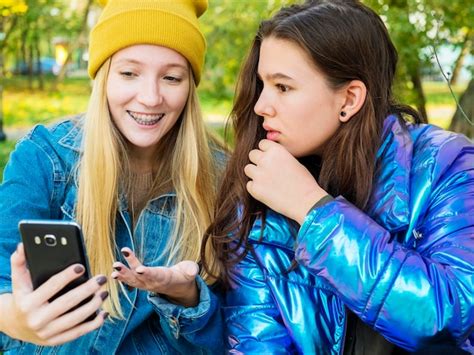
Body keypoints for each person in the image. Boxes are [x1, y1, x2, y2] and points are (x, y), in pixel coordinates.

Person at [202, 0, 474, 353]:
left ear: (349, 98)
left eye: (283, 87)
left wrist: (311, 208)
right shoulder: (261, 188)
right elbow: (257, 341)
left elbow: (449, 317)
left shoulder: (446, 165)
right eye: (262, 84)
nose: (260, 105)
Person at [0, 0, 225, 353]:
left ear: (190, 86)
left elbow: (237, 333)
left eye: (171, 77)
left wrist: (188, 296)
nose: (150, 97)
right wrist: (18, 319)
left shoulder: (221, 173)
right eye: (129, 73)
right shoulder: (44, 157)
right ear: (103, 76)